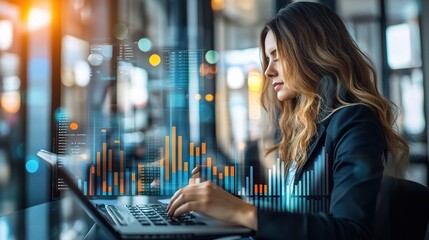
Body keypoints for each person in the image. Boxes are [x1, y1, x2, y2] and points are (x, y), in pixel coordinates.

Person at [167, 2, 409, 239]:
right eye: (267, 59)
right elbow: (296, 213)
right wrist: (221, 198)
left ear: (311, 54)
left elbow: (351, 231)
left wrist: (240, 211)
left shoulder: (355, 121)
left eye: (277, 56)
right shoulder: (308, 126)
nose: (268, 71)